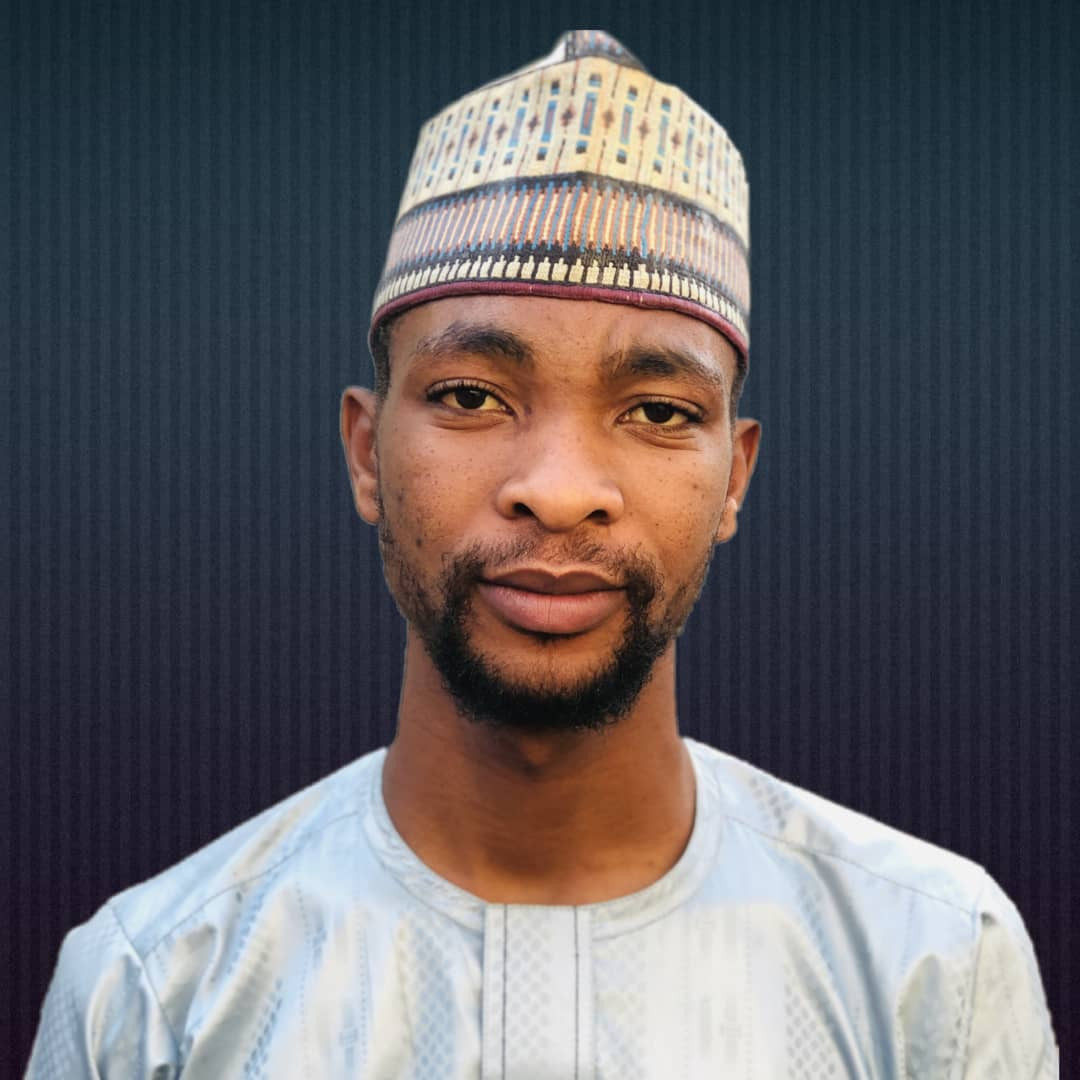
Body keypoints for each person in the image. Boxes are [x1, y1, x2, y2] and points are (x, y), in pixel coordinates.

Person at [26, 29, 1057, 1078]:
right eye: (472, 396)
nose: (560, 490)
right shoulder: (156, 989)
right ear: (366, 452)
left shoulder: (933, 965)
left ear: (735, 478)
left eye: (658, 410)